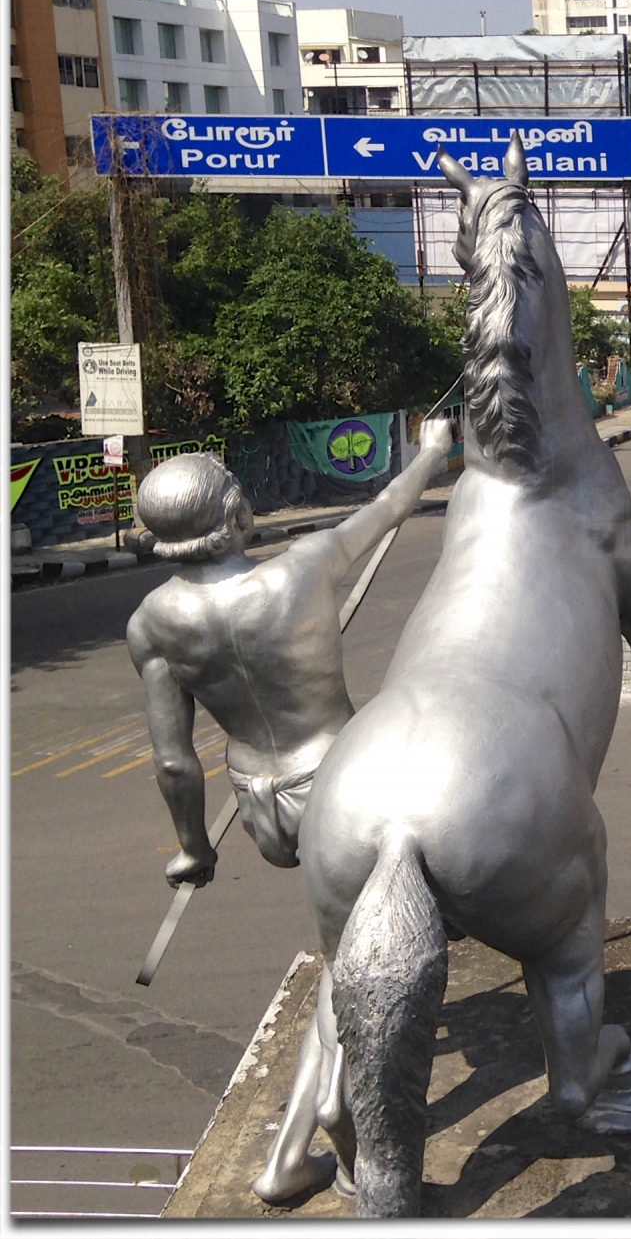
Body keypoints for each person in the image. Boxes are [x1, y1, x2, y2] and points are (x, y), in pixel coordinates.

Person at [125, 416, 453, 1203]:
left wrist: (192, 848)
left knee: (345, 948)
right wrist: (436, 449)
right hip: (339, 784)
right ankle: (309, 1131)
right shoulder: (299, 570)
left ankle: (313, 1120)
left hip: (257, 800)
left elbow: (174, 759)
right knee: (349, 966)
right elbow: (390, 506)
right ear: (236, 515)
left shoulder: (152, 625)